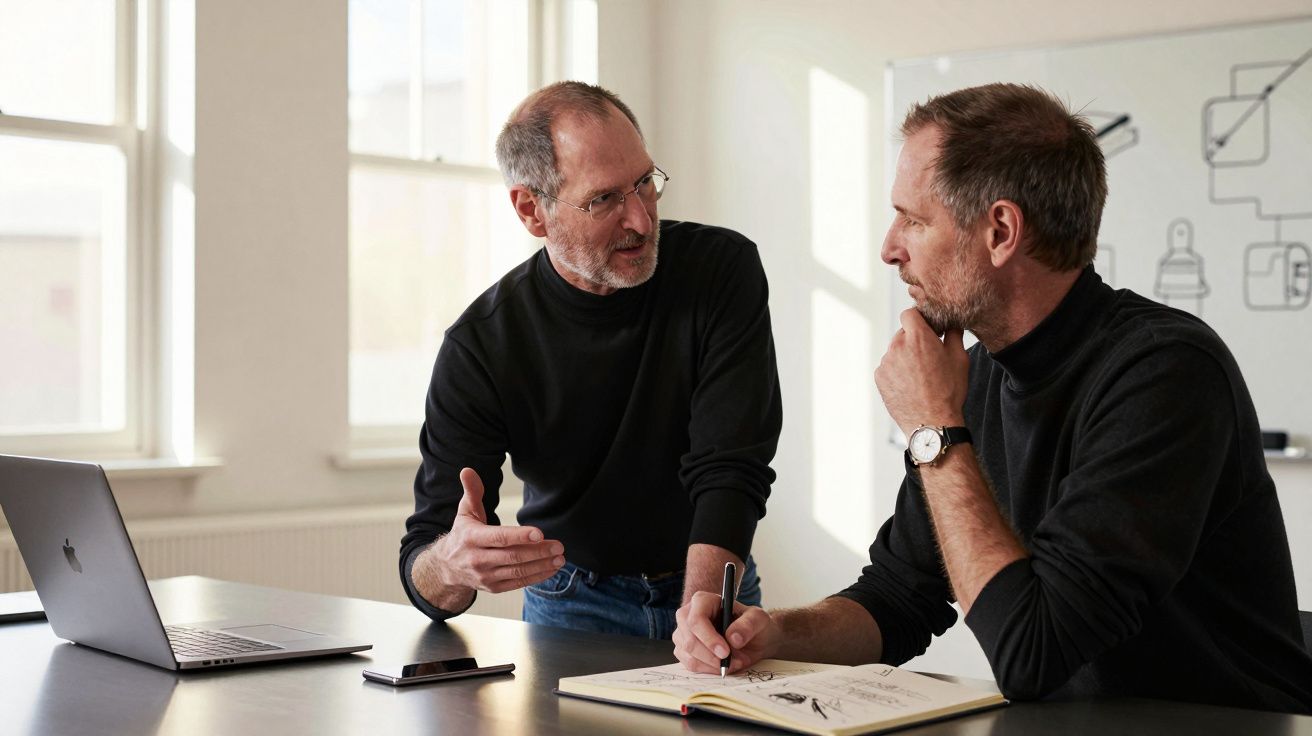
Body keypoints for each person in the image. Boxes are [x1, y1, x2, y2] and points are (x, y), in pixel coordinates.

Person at [673, 83, 1312, 712]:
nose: (889, 248)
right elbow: (899, 597)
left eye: (914, 220)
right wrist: (774, 633)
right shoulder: (973, 379)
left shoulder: (1165, 373)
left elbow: (1033, 652)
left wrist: (933, 430)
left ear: (1001, 230)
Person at [399, 81, 782, 639]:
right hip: (571, 603)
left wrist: (701, 612)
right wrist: (453, 565)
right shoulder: (481, 345)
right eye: (604, 199)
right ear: (533, 210)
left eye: (645, 183)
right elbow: (425, 571)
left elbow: (732, 466)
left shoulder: (722, 270)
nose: (641, 221)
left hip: (715, 584)